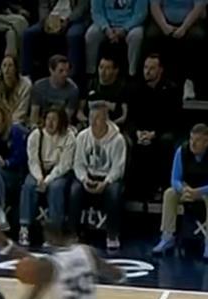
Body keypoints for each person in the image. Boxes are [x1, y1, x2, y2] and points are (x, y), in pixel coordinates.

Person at [70, 102, 127, 252]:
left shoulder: (118, 139)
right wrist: (84, 179)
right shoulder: (82, 137)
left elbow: (118, 168)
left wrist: (106, 182)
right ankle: (73, 233)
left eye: (98, 118)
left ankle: (112, 235)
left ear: (106, 120)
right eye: (91, 118)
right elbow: (78, 164)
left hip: (108, 177)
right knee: (75, 190)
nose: (94, 122)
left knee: (114, 192)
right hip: (88, 175)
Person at [19, 105, 76, 246]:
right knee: (29, 185)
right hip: (38, 171)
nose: (50, 123)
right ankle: (24, 228)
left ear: (61, 121)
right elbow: (32, 160)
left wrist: (48, 180)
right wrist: (40, 178)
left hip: (59, 173)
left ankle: (54, 232)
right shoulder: (35, 135)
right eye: (48, 119)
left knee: (56, 187)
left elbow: (65, 164)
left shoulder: (69, 137)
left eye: (54, 119)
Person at [124, 53, 179, 197]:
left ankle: (162, 187)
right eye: (145, 67)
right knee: (127, 141)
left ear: (160, 70)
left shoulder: (171, 89)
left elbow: (172, 119)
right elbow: (130, 118)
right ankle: (132, 189)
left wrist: (154, 134)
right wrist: (137, 133)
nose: (147, 71)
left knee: (166, 141)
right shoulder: (135, 89)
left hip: (161, 131)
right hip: (140, 132)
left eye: (152, 68)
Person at [153, 124, 208, 257]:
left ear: (206, 142)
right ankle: (168, 236)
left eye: (197, 140)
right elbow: (175, 179)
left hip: (205, 192)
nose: (192, 144)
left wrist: (199, 191)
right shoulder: (182, 151)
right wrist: (183, 189)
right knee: (170, 193)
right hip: (188, 191)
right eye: (191, 139)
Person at [0, 100, 29, 230]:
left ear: (3, 116)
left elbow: (22, 157)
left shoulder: (16, 131)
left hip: (14, 176)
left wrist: (5, 163)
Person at [144, 0, 205, 89]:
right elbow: (154, 5)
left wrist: (184, 28)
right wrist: (164, 26)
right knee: (151, 36)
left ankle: (189, 81)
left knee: (197, 37)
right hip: (163, 21)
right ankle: (155, 79)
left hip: (190, 22)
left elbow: (198, 7)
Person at [22, 0, 89, 79]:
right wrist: (46, 20)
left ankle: (72, 77)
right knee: (29, 33)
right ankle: (27, 75)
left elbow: (81, 8)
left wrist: (67, 21)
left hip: (74, 20)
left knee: (73, 35)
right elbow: (43, 5)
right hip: (50, 18)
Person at [84, 0, 147, 78]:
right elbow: (96, 12)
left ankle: (132, 73)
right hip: (106, 24)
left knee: (136, 36)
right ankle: (91, 73)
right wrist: (106, 28)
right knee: (91, 34)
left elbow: (140, 14)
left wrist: (124, 29)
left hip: (130, 25)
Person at [30, 55, 81, 126]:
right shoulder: (39, 86)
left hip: (61, 126)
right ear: (51, 70)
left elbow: (66, 118)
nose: (65, 74)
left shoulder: (73, 90)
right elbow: (34, 115)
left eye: (67, 71)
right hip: (41, 124)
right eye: (61, 71)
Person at [77, 55, 128, 127]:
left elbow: (124, 117)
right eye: (101, 67)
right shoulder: (90, 85)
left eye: (107, 68)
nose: (102, 72)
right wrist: (89, 122)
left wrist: (108, 126)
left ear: (115, 71)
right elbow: (80, 112)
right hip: (89, 126)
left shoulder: (122, 89)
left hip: (113, 128)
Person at [0, 54, 33, 125]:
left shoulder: (26, 85)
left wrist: (9, 124)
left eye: (10, 66)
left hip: (18, 123)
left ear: (16, 68)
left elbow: (22, 111)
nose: (6, 69)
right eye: (4, 65)